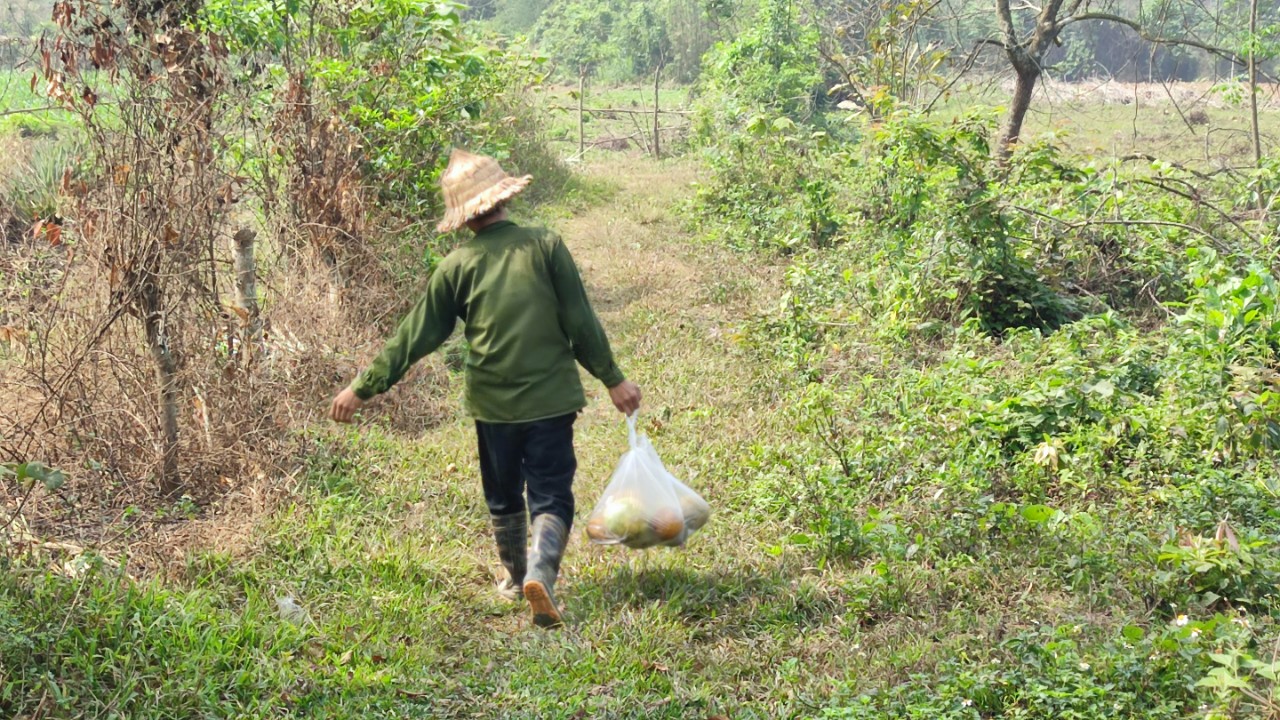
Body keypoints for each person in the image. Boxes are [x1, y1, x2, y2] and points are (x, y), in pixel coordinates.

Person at [329, 149, 641, 628]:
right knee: (551, 495)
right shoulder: (546, 245)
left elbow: (415, 336)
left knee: (503, 496)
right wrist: (613, 379)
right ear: (504, 197)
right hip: (552, 400)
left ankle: (518, 579)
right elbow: (581, 322)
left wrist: (362, 388)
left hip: (493, 405)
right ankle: (542, 571)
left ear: (463, 218)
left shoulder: (456, 266)